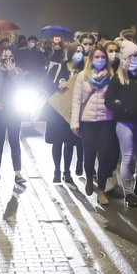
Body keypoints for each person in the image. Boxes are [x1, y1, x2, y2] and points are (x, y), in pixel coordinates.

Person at [105, 40, 137, 207]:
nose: (136, 58)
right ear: (124, 59)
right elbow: (108, 101)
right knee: (127, 156)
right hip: (124, 122)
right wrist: (121, 108)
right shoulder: (117, 80)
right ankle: (128, 192)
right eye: (132, 56)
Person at [71, 45, 118, 205]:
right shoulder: (82, 76)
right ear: (91, 58)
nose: (100, 60)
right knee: (89, 156)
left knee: (104, 156)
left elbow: (115, 97)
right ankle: (89, 177)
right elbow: (77, 100)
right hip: (88, 122)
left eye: (102, 57)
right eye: (97, 57)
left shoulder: (112, 76)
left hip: (106, 122)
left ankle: (101, 191)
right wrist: (75, 122)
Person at [42, 42, 83, 183]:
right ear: (71, 53)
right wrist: (57, 85)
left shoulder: (82, 71)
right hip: (56, 111)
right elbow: (44, 85)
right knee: (57, 142)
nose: (80, 54)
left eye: (81, 51)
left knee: (70, 143)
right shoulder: (59, 67)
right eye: (77, 51)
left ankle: (67, 171)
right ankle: (57, 171)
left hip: (72, 111)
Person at [0, 46, 25, 184]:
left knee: (15, 141)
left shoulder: (18, 71)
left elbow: (22, 88)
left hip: (14, 111)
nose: (7, 59)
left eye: (10, 57)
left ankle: (18, 174)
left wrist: (12, 72)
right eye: (5, 57)